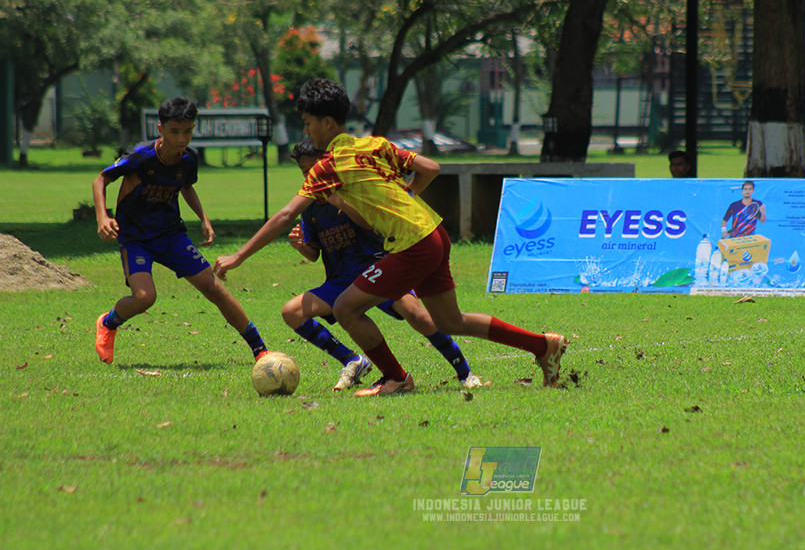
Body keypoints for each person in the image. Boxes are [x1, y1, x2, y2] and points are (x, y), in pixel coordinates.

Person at [214, 78, 568, 396]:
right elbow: (430, 168)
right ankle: (542, 346)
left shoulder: (329, 164)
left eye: (308, 123)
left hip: (412, 244)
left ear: (327, 122)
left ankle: (396, 377)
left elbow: (286, 214)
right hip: (433, 232)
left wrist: (238, 256)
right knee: (450, 321)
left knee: (346, 308)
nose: (308, 131)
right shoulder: (373, 145)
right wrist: (409, 196)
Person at [283, 139, 484, 391]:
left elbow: (369, 224)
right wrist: (300, 245)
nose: (311, 177)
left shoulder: (353, 187)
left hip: (379, 269)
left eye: (313, 169)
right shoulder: (310, 206)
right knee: (292, 312)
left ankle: (465, 372)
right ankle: (351, 360)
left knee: (419, 316)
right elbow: (314, 254)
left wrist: (340, 203)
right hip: (341, 281)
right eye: (304, 173)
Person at [92, 97, 271, 365]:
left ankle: (260, 349)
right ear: (161, 129)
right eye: (175, 131)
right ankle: (108, 322)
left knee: (214, 289)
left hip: (170, 235)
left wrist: (203, 218)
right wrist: (102, 217)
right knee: (144, 298)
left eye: (187, 131)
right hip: (136, 238)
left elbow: (186, 186)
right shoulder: (140, 156)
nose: (182, 138)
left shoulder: (188, 159)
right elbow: (101, 179)